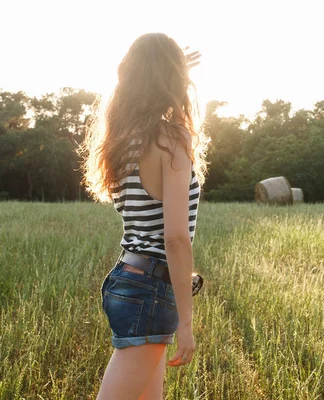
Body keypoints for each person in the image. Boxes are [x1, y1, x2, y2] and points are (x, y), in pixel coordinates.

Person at [79, 32, 207, 399]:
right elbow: (176, 237)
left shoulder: (122, 139)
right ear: (173, 80)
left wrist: (164, 63)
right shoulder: (171, 140)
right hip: (152, 286)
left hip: (129, 277)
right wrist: (186, 321)